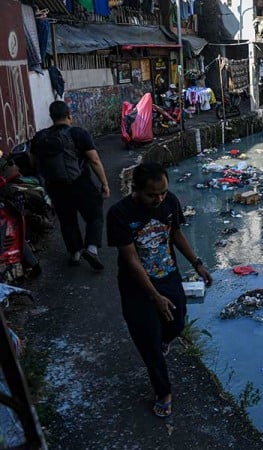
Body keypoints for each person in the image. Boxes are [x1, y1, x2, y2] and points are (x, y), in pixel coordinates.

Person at [106, 162, 212, 418]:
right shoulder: (120, 214)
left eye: (163, 192)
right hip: (137, 287)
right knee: (148, 344)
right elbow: (131, 259)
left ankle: (164, 339)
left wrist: (197, 264)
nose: (160, 198)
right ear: (136, 190)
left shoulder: (170, 202)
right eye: (153, 194)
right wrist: (155, 297)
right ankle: (163, 392)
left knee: (177, 323)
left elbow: (175, 234)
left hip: (169, 276)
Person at [29, 100, 109, 270]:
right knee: (94, 215)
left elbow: (33, 162)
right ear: (69, 115)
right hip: (80, 183)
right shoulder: (78, 133)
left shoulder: (40, 137)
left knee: (67, 220)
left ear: (51, 117)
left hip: (55, 186)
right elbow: (94, 160)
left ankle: (75, 253)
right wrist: (104, 183)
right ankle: (92, 249)